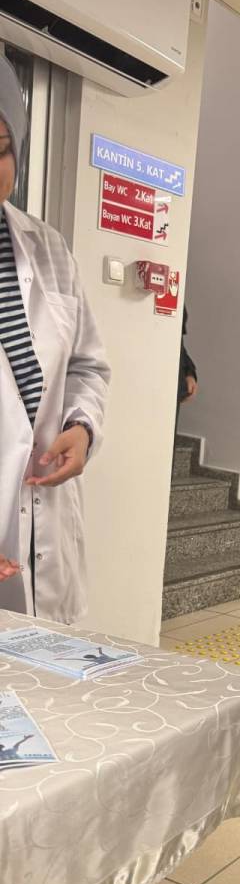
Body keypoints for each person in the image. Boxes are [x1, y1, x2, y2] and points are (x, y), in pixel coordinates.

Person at [0, 55, 110, 625]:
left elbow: (87, 365)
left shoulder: (47, 248)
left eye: (0, 149)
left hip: (43, 527)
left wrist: (82, 428)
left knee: (44, 672)